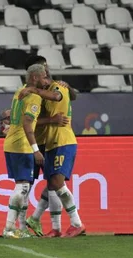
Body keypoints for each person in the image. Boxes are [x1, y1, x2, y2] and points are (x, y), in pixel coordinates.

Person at [20, 64, 86, 238]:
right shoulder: (46, 92)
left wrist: (34, 90)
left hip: (62, 141)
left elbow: (57, 96)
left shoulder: (57, 87)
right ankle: (54, 227)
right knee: (51, 184)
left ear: (45, 77)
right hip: (51, 142)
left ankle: (76, 223)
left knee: (57, 183)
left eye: (43, 78)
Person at [2, 64, 51, 239]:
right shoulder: (34, 98)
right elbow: (28, 124)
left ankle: (21, 228)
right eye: (44, 77)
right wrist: (36, 150)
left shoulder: (20, 91)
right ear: (35, 78)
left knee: (24, 187)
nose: (47, 80)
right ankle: (8, 228)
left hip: (11, 143)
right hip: (22, 145)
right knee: (22, 186)